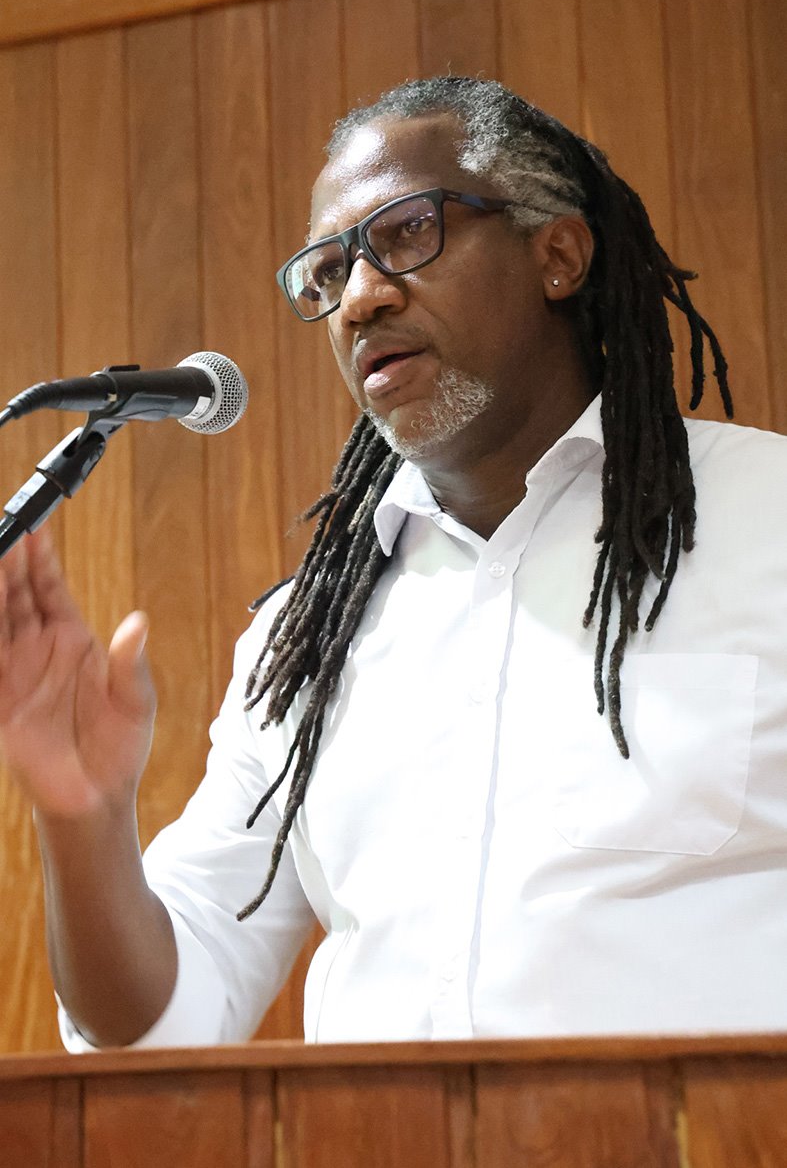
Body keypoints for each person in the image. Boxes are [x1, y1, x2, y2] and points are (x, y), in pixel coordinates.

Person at [1, 76, 786, 1050]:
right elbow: (163, 1022)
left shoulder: (769, 520)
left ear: (556, 254)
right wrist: (81, 816)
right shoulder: (302, 642)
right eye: (328, 273)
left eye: (408, 233)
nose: (359, 299)